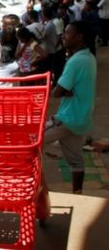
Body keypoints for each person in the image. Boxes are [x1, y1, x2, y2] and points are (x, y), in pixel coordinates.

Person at [44, 21, 97, 194]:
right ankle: (78, 193)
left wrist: (58, 90)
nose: (63, 36)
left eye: (67, 33)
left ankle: (38, 188)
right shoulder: (89, 57)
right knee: (76, 161)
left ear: (79, 37)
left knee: (31, 144)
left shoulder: (75, 61)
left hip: (67, 118)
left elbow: (58, 92)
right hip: (81, 119)